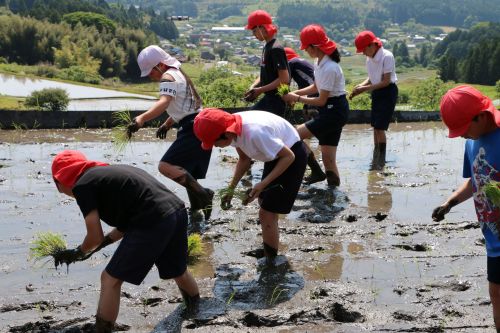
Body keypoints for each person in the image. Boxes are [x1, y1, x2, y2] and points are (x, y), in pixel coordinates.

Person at [51, 150, 200, 333]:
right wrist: (98, 247)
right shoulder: (106, 176)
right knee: (179, 271)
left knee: (110, 279)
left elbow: (94, 236)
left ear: (60, 180)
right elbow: (124, 226)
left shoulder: (82, 186)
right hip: (175, 211)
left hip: (152, 219)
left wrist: (79, 252)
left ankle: (102, 329)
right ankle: (196, 308)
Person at [193, 108, 307, 263]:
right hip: (275, 154)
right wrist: (231, 189)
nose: (215, 146)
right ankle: (270, 245)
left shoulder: (255, 133)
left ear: (226, 133)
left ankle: (271, 260)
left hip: (290, 156)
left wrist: (263, 183)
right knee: (264, 202)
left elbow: (289, 156)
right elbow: (244, 159)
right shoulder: (233, 126)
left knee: (266, 213)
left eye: (214, 142)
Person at [431, 85, 500, 332]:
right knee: (497, 296)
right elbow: (474, 180)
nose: (461, 135)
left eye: (463, 129)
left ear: (480, 115)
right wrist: (449, 202)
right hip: (494, 240)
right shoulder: (472, 142)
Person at [126, 45, 213, 221]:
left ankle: (205, 195)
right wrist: (167, 124)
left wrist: (141, 119)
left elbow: (165, 102)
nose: (150, 76)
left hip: (192, 127)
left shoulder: (168, 77)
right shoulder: (179, 73)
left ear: (160, 65)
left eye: (151, 71)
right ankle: (197, 212)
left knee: (165, 166)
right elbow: (184, 105)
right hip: (200, 124)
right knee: (188, 173)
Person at [281, 24, 349, 187]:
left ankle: (316, 171)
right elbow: (315, 87)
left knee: (292, 134)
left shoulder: (329, 67)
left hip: (334, 111)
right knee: (328, 158)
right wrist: (296, 94)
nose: (305, 51)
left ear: (314, 46)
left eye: (306, 47)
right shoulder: (320, 62)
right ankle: (334, 193)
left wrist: (296, 99)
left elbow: (321, 100)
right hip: (331, 110)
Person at [349, 30, 398, 170]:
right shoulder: (369, 59)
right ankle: (376, 156)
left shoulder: (387, 56)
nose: (363, 53)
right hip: (376, 92)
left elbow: (386, 81)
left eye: (364, 50)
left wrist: (365, 89)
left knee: (380, 127)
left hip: (388, 92)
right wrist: (361, 85)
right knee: (375, 127)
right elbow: (371, 78)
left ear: (372, 45)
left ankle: (381, 161)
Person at [244, 10, 290, 118]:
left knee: (248, 120)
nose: (253, 34)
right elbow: (265, 73)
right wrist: (254, 87)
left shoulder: (275, 49)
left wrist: (260, 90)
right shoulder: (267, 47)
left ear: (263, 28)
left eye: (254, 30)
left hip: (277, 101)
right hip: (269, 99)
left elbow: (284, 79)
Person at [284, 47, 318, 121]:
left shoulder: (291, 63)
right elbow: (304, 83)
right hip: (316, 90)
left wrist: (288, 98)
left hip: (313, 90)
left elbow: (285, 84)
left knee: (310, 116)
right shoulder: (299, 62)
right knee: (307, 113)